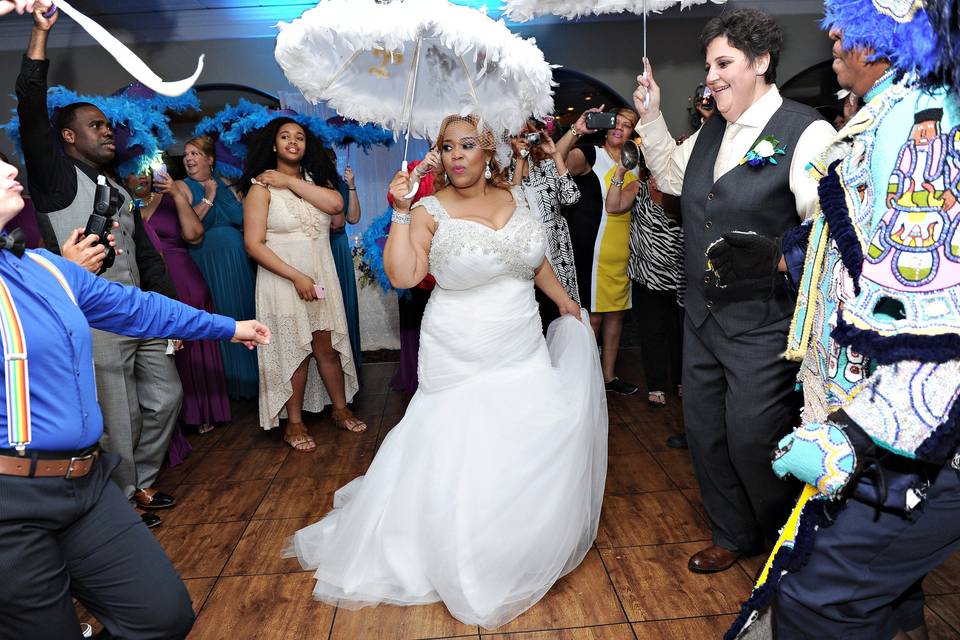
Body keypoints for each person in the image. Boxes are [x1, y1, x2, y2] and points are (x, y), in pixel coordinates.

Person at [285, 114, 607, 629]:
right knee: (460, 438)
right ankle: (456, 541)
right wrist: (399, 211)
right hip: (459, 342)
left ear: (487, 153)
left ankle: (516, 536)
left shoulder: (517, 196)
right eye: (447, 147)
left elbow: (535, 261)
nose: (458, 155)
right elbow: (405, 274)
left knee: (524, 431)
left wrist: (567, 303)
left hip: (520, 337)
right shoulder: (428, 210)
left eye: (468, 145)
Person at [720, 1, 960, 638]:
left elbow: (937, 309)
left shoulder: (925, 118)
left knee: (817, 600)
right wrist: (779, 259)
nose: (831, 32)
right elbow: (855, 245)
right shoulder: (889, 109)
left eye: (848, 20)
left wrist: (855, 434)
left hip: (915, 430)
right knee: (885, 593)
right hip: (874, 407)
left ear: (886, 35)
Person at [0, 153, 271, 640]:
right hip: (11, 502)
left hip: (86, 482)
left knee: (162, 616)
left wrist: (227, 327)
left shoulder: (44, 267)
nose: (11, 170)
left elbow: (136, 307)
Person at [632, 8, 837, 573]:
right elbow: (673, 177)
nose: (713, 76)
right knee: (703, 432)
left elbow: (832, 229)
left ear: (762, 62)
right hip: (701, 318)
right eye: (709, 66)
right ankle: (731, 531)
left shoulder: (805, 130)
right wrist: (649, 117)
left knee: (751, 436)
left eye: (724, 63)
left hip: (763, 322)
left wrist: (777, 259)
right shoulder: (711, 131)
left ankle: (786, 540)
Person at [16, 7, 187, 527]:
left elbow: (147, 255)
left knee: (164, 398)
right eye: (95, 126)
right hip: (95, 317)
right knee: (118, 415)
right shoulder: (54, 178)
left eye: (109, 126)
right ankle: (126, 498)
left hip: (140, 310)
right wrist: (41, 33)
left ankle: (142, 478)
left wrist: (169, 312)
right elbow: (30, 104)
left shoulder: (115, 187)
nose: (107, 133)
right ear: (67, 138)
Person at [241, 118, 363, 450]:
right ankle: (294, 423)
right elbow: (253, 245)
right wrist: (295, 276)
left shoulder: (315, 183)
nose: (293, 141)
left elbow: (337, 207)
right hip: (282, 279)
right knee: (295, 352)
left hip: (320, 273)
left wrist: (288, 181)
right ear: (274, 145)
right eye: (285, 136)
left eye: (299, 137)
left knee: (327, 347)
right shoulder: (260, 188)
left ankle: (340, 408)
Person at [128, 171, 231, 438]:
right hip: (146, 284)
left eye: (144, 171)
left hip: (183, 279)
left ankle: (201, 413)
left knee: (190, 346)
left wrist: (175, 193)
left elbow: (195, 235)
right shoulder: (123, 206)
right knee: (160, 352)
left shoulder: (168, 199)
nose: (140, 177)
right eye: (131, 171)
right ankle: (172, 419)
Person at [557, 107, 642, 395]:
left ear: (633, 132)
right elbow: (558, 161)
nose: (620, 128)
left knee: (616, 316)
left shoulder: (636, 165)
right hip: (593, 248)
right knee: (592, 317)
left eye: (627, 125)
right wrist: (577, 130)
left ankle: (608, 377)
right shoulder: (592, 154)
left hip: (623, 250)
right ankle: (587, 378)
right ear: (606, 127)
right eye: (616, 123)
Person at [178, 135, 259, 399]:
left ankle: (255, 380)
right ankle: (230, 385)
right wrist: (209, 197)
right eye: (186, 154)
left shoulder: (228, 183)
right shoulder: (182, 186)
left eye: (195, 153)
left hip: (238, 262)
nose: (189, 158)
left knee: (245, 312)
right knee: (224, 318)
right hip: (208, 261)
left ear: (210, 159)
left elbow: (244, 220)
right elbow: (190, 228)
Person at [509, 117, 581, 329]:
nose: (522, 140)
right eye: (516, 136)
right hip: (523, 259)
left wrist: (556, 155)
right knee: (530, 323)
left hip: (556, 255)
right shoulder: (500, 172)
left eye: (526, 134)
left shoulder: (547, 165)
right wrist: (519, 160)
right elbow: (512, 204)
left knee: (561, 319)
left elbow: (571, 197)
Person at [626, 167, 684, 409]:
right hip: (646, 276)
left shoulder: (681, 192)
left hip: (679, 275)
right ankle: (656, 385)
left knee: (679, 333)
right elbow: (612, 206)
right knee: (652, 333)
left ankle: (681, 380)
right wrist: (620, 172)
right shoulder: (639, 190)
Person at [329, 160, 363, 369]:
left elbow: (353, 217)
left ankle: (348, 361)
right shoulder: (309, 186)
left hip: (339, 246)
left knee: (344, 301)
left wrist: (350, 185)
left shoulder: (340, 185)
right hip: (320, 245)